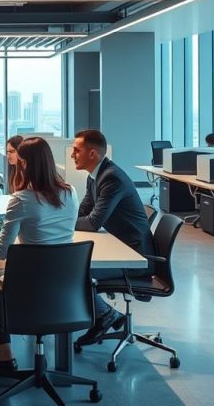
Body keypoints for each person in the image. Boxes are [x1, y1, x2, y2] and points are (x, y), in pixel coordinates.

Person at [0, 137, 77, 371]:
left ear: (23, 163)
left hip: (30, 282)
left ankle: (5, 354)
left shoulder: (21, 200)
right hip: (65, 280)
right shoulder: (70, 192)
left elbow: (2, 252)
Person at [69, 130, 156, 346]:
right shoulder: (96, 176)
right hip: (121, 248)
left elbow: (93, 222)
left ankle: (106, 315)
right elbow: (83, 212)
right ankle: (101, 315)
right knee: (72, 266)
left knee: (72, 271)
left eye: (76, 150)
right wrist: (64, 218)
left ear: (93, 153)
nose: (72, 155)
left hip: (135, 257)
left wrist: (60, 223)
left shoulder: (111, 178)